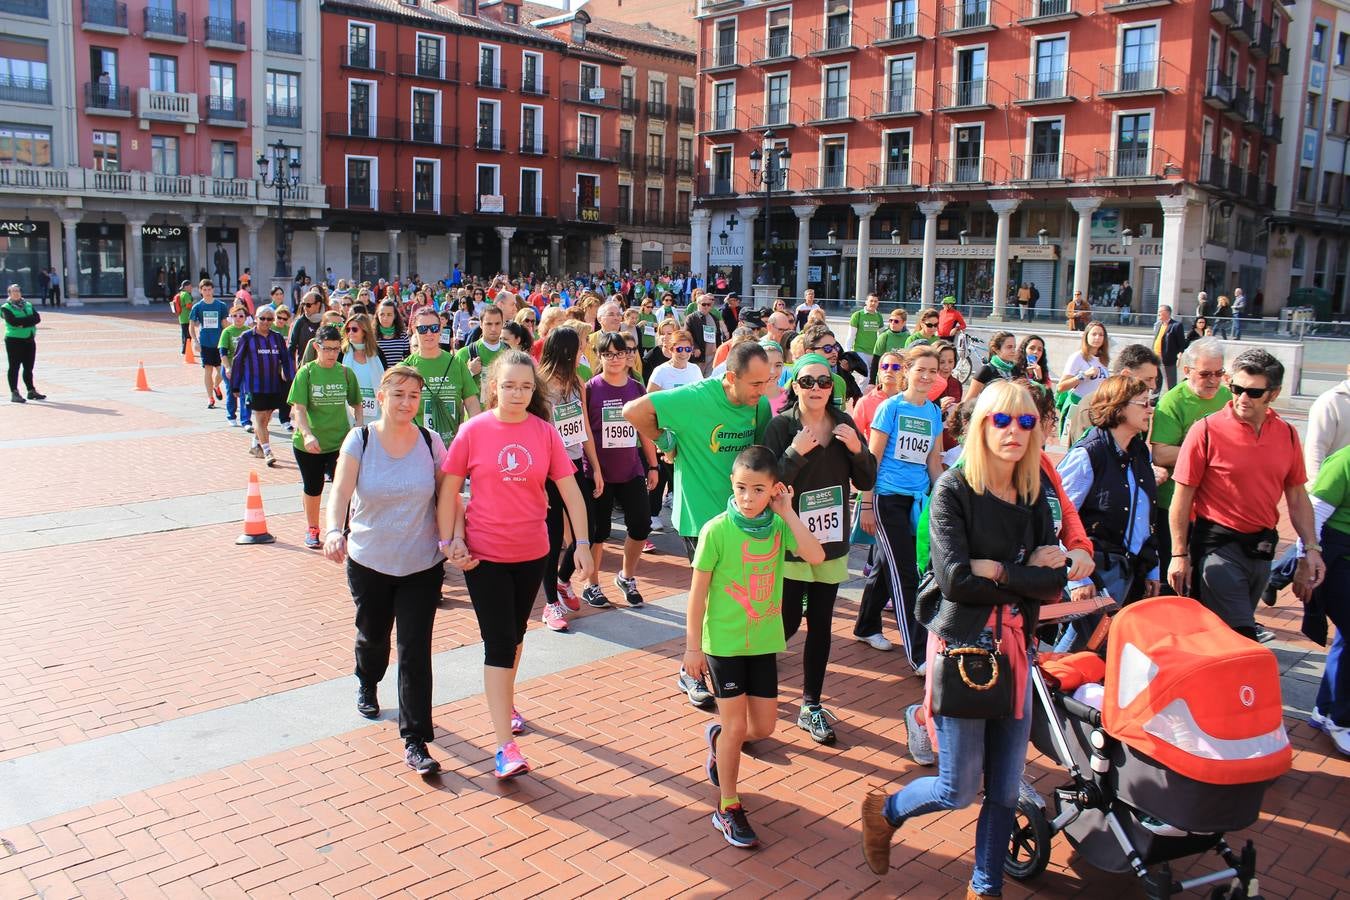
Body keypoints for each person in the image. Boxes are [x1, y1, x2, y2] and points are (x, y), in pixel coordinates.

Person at [861, 381, 1068, 896]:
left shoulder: (1033, 491)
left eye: (1025, 422)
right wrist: (1022, 571)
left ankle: (985, 887)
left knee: (1002, 788)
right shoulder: (954, 488)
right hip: (963, 648)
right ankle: (886, 812)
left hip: (1018, 648)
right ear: (980, 426)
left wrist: (996, 570)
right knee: (957, 788)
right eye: (1001, 420)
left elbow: (1054, 580)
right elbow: (953, 579)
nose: (1015, 432)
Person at [438, 351, 595, 779]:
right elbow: (449, 489)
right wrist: (449, 540)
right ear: (494, 387)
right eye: (509, 386)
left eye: (526, 387)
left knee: (517, 633)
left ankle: (505, 701)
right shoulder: (473, 431)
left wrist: (581, 543)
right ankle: (503, 746)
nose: (518, 394)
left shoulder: (544, 433)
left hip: (531, 553)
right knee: (499, 641)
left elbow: (571, 492)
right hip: (483, 556)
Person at [686, 446, 825, 848]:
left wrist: (788, 512)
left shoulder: (779, 527)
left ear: (774, 490)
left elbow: (815, 555)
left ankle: (718, 741)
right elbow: (697, 596)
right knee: (735, 727)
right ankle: (727, 806)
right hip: (724, 645)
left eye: (759, 490)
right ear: (732, 483)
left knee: (761, 728)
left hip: (763, 641)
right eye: (742, 488)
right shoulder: (716, 530)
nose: (748, 498)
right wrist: (693, 648)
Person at [624, 343, 774, 708]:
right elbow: (633, 410)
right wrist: (665, 440)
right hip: (700, 519)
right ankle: (691, 670)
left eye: (766, 382)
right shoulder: (693, 397)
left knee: (736, 596)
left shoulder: (761, 407)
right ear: (730, 378)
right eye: (754, 384)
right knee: (707, 599)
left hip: (742, 517)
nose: (762, 391)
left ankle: (727, 659)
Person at [323, 366, 447, 774]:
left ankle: (416, 741)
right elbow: (341, 489)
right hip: (369, 560)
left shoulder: (431, 442)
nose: (406, 402)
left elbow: (449, 493)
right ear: (381, 397)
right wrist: (333, 530)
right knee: (374, 636)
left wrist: (455, 538)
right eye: (399, 394)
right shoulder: (360, 439)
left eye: (414, 395)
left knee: (414, 650)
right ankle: (367, 678)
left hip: (421, 563)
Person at [1168, 349, 1326, 640]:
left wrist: (1311, 549)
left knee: (1222, 641)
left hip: (1262, 551)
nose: (1242, 398)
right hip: (1217, 549)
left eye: (1253, 392)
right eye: (1237, 389)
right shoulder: (1205, 430)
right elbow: (1182, 496)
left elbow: (1297, 496)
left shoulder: (1287, 434)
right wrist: (1179, 554)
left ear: (1273, 394)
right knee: (1241, 635)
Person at [764, 354, 877, 745]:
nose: (816, 389)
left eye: (824, 382)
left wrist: (859, 451)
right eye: (807, 381)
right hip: (793, 536)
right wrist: (795, 452)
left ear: (834, 387)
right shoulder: (781, 426)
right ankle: (749, 668)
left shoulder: (845, 424)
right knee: (790, 618)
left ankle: (811, 704)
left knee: (823, 623)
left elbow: (866, 479)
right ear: (794, 385)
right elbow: (769, 483)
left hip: (832, 540)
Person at [1054, 375, 1161, 650]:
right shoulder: (1089, 455)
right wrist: (1079, 577)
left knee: (1103, 647)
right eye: (1144, 403)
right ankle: (1039, 690)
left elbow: (1143, 515)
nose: (1151, 409)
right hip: (1094, 570)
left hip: (1125, 569)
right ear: (1120, 407)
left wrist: (1152, 568)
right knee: (1081, 646)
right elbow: (1058, 517)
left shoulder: (1139, 451)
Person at [856, 345, 944, 665]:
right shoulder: (890, 409)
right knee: (906, 573)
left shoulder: (934, 412)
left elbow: (934, 463)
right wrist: (866, 504)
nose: (926, 376)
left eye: (933, 371)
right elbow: (871, 460)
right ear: (906, 371)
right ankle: (919, 654)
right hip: (887, 498)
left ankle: (866, 625)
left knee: (887, 565)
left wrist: (944, 496)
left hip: (917, 501)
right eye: (921, 369)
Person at [581, 332, 659, 609]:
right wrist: (594, 469)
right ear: (599, 357)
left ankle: (627, 577)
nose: (614, 359)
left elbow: (645, 431)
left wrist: (653, 464)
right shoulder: (590, 388)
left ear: (629, 356)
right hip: (599, 473)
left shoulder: (637, 389)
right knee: (598, 532)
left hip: (631, 469)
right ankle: (592, 585)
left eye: (620, 353)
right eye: (608, 354)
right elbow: (584, 432)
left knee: (641, 525)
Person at [538, 327, 602, 626]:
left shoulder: (578, 382)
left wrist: (595, 466)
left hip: (574, 464)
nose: (584, 352)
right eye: (580, 348)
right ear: (566, 351)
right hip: (548, 470)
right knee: (551, 537)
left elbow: (584, 425)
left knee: (586, 529)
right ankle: (550, 602)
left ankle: (564, 579)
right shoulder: (539, 385)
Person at [1150, 337, 1230, 578]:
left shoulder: (1228, 398)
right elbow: (1161, 453)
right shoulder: (1172, 402)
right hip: (1175, 505)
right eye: (1206, 374)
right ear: (1187, 370)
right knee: (1174, 574)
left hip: (1217, 504)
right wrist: (1210, 452)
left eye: (1219, 372)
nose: (1213, 380)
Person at [1296, 443, 1350, 756]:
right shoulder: (1344, 461)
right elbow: (1312, 514)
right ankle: (1341, 719)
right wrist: (1305, 561)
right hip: (1337, 558)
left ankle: (1325, 708)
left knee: (1346, 636)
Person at [289, 325, 364, 548]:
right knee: (313, 487)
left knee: (344, 486)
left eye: (335, 349)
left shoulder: (345, 373)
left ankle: (346, 527)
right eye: (326, 349)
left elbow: (357, 404)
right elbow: (299, 409)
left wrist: (357, 428)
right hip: (310, 444)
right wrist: (307, 434)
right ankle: (312, 528)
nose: (331, 354)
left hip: (339, 443)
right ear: (316, 347)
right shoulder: (307, 373)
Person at [401, 306, 481, 446]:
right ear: (414, 330)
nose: (429, 333)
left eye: (434, 328)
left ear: (441, 329)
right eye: (423, 329)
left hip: (452, 447)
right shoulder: (404, 368)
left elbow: (472, 403)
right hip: (416, 447)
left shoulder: (456, 363)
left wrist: (474, 437)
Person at [231, 304, 295, 466]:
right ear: (256, 319)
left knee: (267, 417)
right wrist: (235, 385)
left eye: (269, 319)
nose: (266, 322)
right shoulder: (247, 337)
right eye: (262, 318)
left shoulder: (277, 337)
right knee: (259, 418)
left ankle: (255, 444)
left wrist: (290, 378)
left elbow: (286, 359)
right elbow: (237, 361)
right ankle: (267, 451)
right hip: (255, 385)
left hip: (274, 385)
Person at [1055, 319, 1110, 437]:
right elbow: (1061, 387)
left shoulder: (1104, 360)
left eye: (1101, 335)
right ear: (1086, 336)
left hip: (1097, 409)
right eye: (1094, 334)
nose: (1097, 338)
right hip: (1078, 406)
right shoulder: (1077, 357)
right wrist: (1083, 375)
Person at [189, 279, 228, 408]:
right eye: (204, 290)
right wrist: (195, 341)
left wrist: (229, 337)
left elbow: (224, 324)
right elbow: (191, 326)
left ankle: (216, 386)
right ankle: (210, 398)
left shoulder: (221, 305)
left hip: (219, 342)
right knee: (208, 370)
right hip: (205, 342)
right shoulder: (198, 307)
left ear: (213, 290)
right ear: (200, 291)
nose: (207, 292)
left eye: (209, 289)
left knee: (222, 370)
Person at [2, 284, 44, 403]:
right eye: (13, 291)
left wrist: (23, 323)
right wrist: (29, 321)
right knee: (14, 367)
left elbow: (37, 318)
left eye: (18, 291)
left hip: (29, 339)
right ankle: (14, 393)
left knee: (28, 367)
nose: (16, 293)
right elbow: (13, 322)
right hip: (14, 340)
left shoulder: (28, 304)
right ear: (9, 293)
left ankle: (31, 390)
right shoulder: (5, 307)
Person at [342, 313, 385, 426]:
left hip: (375, 409)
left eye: (354, 329)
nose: (350, 332)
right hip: (349, 408)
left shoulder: (377, 353)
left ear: (365, 331)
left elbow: (385, 379)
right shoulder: (342, 353)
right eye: (348, 329)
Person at [456, 304, 507, 395]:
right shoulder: (465, 353)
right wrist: (470, 372)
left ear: (503, 324)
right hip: (476, 409)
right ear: (481, 324)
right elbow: (453, 387)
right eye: (489, 324)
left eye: (497, 323)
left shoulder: (510, 353)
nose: (493, 328)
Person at [218, 307, 250, 427]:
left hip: (244, 369)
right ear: (230, 318)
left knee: (244, 394)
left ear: (246, 318)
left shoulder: (249, 331)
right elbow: (223, 352)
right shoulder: (227, 332)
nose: (238, 318)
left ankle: (246, 420)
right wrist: (227, 368)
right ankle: (231, 415)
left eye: (241, 316)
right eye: (235, 316)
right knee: (231, 393)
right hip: (230, 368)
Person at [966, 331, 1017, 402]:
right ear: (996, 349)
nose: (1013, 351)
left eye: (1014, 347)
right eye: (1009, 347)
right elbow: (968, 401)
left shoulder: (1016, 369)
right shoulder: (986, 370)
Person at [1151, 303, 1186, 390]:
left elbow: (1181, 343)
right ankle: (1154, 400)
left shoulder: (1176, 326)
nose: (1158, 314)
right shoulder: (1158, 324)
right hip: (1156, 358)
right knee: (1156, 380)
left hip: (1168, 359)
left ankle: (1172, 399)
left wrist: (1180, 355)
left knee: (1170, 383)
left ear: (1167, 313)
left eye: (1160, 312)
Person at [685, 294, 720, 375]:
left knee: (708, 380)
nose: (706, 306)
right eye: (704, 304)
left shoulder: (714, 318)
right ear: (698, 304)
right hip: (699, 357)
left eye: (709, 304)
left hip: (712, 357)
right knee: (697, 380)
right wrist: (695, 348)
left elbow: (717, 335)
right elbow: (687, 335)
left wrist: (718, 350)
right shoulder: (691, 318)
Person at [848, 293, 884, 370]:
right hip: (860, 351)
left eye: (875, 301)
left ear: (878, 303)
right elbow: (851, 336)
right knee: (865, 376)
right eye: (871, 301)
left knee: (872, 376)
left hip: (874, 352)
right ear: (866, 302)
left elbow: (881, 335)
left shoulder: (879, 316)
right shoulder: (857, 315)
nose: (873, 303)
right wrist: (847, 353)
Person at [290, 291, 324, 370]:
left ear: (318, 305)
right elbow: (292, 347)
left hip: (324, 369)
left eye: (308, 305)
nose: (305, 307)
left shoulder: (326, 320)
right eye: (303, 304)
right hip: (304, 368)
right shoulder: (300, 322)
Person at [171, 280, 194, 354]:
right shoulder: (186, 295)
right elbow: (188, 305)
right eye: (190, 286)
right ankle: (186, 350)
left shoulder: (180, 294)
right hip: (187, 317)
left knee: (184, 335)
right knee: (188, 335)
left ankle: (184, 350)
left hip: (181, 317)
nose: (191, 288)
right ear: (186, 287)